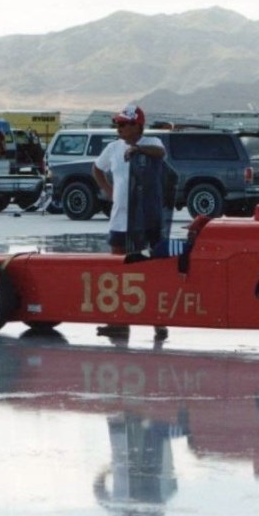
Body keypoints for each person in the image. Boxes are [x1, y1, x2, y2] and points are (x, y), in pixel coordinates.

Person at [92, 104, 167, 340]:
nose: (119, 128)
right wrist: (108, 189)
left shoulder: (152, 143)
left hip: (146, 219)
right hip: (119, 219)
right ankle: (118, 322)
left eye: (124, 124)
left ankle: (158, 322)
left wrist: (137, 149)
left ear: (138, 126)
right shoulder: (113, 148)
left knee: (152, 271)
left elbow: (160, 154)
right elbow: (96, 168)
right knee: (116, 273)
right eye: (118, 124)